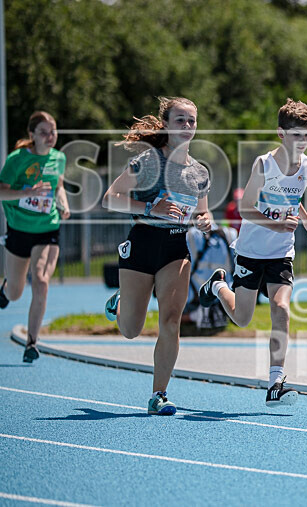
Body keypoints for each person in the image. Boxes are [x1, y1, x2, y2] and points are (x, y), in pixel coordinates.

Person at [197, 99, 307, 407]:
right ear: (281, 134)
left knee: (281, 309)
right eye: (296, 136)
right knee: (242, 317)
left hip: (281, 253)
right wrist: (277, 224)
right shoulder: (264, 165)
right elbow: (244, 209)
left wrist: (306, 221)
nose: (302, 142)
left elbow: (293, 199)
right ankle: (218, 285)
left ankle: (275, 382)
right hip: (252, 252)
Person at [102, 97, 212, 415]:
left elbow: (203, 214)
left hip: (176, 247)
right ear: (165, 124)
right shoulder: (148, 162)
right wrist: (151, 207)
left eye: (192, 120)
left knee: (170, 320)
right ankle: (119, 304)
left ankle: (158, 395)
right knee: (131, 329)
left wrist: (205, 222)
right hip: (142, 244)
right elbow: (111, 198)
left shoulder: (199, 172)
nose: (187, 126)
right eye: (180, 120)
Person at [0, 111, 70, 362]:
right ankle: (6, 287)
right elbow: (2, 192)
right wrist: (27, 192)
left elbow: (58, 185)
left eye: (53, 131)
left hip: (47, 228)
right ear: (32, 135)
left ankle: (32, 342)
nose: (50, 136)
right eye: (44, 132)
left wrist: (62, 203)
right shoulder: (17, 159)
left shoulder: (58, 158)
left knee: (41, 280)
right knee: (15, 294)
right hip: (19, 229)